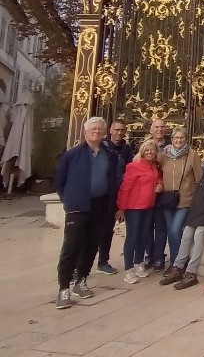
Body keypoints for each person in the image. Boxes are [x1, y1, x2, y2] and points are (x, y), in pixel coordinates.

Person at [54, 117, 119, 309]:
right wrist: (69, 199)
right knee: (71, 246)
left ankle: (81, 280)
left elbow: (113, 179)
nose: (96, 132)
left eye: (100, 129)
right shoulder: (72, 155)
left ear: (104, 132)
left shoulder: (110, 155)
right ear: (85, 132)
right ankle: (63, 288)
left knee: (91, 245)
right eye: (93, 129)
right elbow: (59, 181)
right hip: (78, 207)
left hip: (100, 206)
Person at [159, 137, 204, 289]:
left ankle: (191, 272)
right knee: (186, 235)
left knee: (199, 236)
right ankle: (178, 267)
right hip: (198, 206)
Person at [157, 128, 202, 276]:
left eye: (181, 137)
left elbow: (199, 178)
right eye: (176, 138)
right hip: (167, 199)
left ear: (186, 139)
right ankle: (175, 263)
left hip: (185, 199)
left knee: (176, 230)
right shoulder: (164, 154)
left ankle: (178, 263)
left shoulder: (192, 154)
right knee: (171, 232)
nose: (179, 140)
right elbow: (156, 172)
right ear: (172, 139)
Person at [117, 139, 162, 284]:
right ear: (142, 152)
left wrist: (160, 184)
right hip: (134, 207)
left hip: (148, 206)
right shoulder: (133, 166)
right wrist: (121, 208)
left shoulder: (154, 166)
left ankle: (138, 263)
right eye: (147, 150)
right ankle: (128, 269)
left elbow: (158, 178)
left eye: (152, 150)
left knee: (143, 236)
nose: (150, 152)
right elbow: (125, 188)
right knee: (133, 237)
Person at [97, 118, 134, 275]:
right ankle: (78, 266)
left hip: (115, 196)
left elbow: (129, 173)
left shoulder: (126, 150)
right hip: (99, 194)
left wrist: (122, 204)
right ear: (110, 131)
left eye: (122, 130)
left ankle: (103, 261)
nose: (119, 133)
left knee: (107, 230)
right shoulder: (101, 146)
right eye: (116, 130)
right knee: (89, 231)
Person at [145, 118, 170, 270]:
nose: (159, 129)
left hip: (164, 191)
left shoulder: (170, 145)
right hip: (147, 191)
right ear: (151, 129)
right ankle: (150, 255)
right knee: (148, 225)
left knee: (161, 226)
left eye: (162, 127)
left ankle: (160, 256)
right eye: (156, 127)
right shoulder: (146, 145)